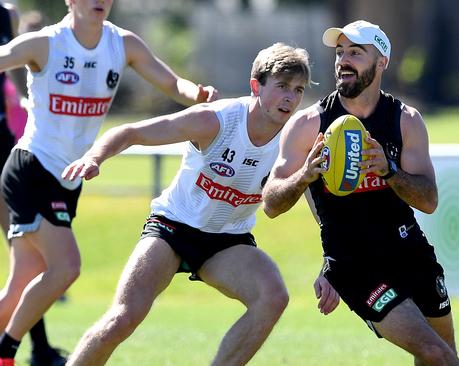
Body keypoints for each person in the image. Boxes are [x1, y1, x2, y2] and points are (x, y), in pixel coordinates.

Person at [60, 42, 338, 366]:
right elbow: (131, 131)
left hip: (227, 241)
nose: (290, 98)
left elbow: (322, 210)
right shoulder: (216, 121)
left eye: (298, 89)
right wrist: (95, 158)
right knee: (123, 318)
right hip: (173, 227)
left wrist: (330, 260)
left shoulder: (296, 140)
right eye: (281, 87)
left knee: (273, 297)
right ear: (255, 86)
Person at [0, 0, 218, 364]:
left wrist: (194, 94)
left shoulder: (123, 44)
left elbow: (170, 82)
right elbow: (5, 55)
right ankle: (6, 351)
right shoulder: (46, 44)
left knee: (22, 284)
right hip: (31, 169)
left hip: (69, 180)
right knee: (67, 267)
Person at [262, 20, 459, 366]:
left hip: (410, 252)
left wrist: (389, 170)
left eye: (356, 53)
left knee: (444, 354)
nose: (343, 60)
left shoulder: (406, 121)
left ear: (382, 61)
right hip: (355, 266)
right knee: (434, 353)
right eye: (340, 53)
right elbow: (270, 204)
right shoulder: (309, 125)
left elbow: (429, 201)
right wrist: (304, 175)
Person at [0, 3, 68, 366]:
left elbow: (12, 70)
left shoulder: (6, 13)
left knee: (29, 260)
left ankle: (36, 349)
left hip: (3, 143)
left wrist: (25, 99)